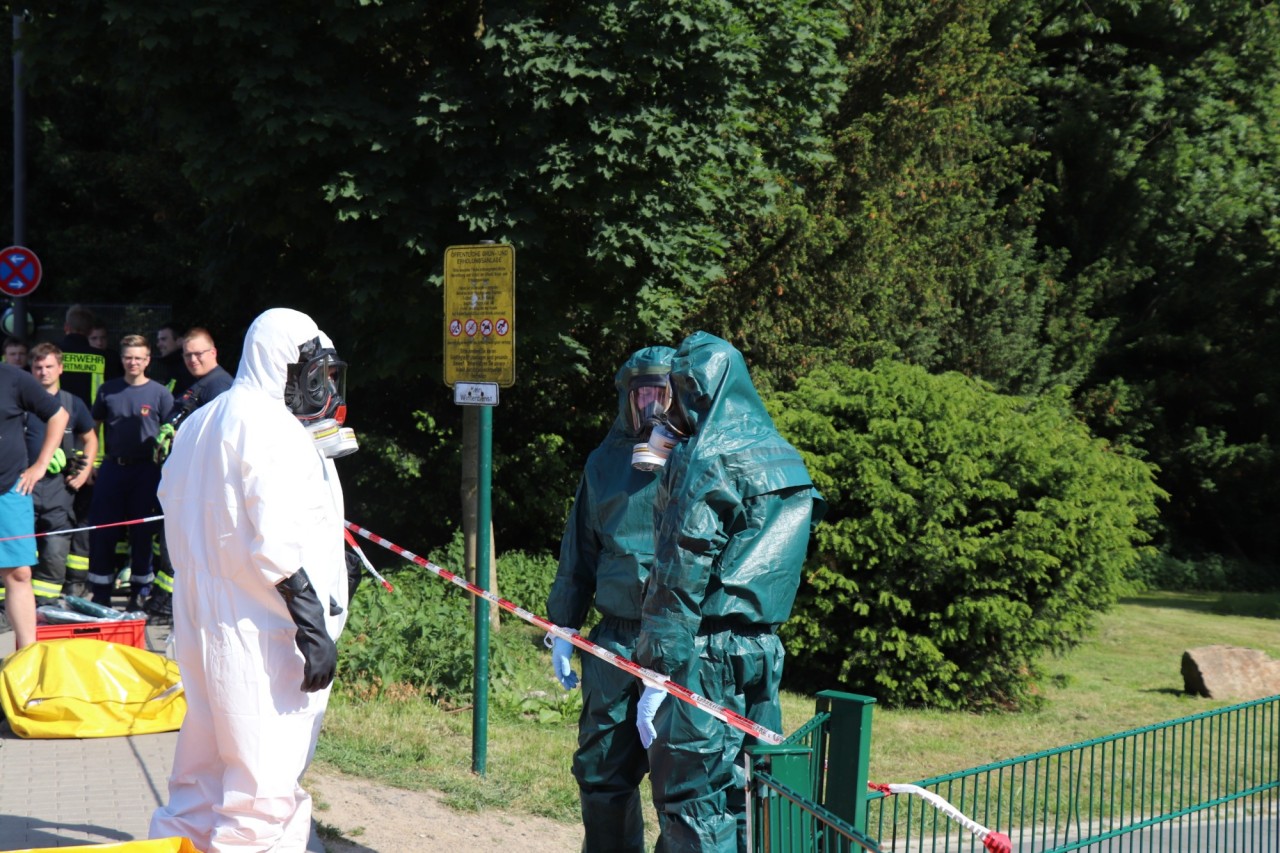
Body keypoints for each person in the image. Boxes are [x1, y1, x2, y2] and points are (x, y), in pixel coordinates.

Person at [149, 308, 356, 851]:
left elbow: (177, 510)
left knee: (198, 782)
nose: (322, 388)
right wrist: (311, 623)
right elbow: (276, 541)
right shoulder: (268, 426)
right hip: (265, 634)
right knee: (261, 795)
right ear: (284, 364)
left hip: (206, 624)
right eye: (314, 372)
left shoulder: (202, 419)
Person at [634, 331, 825, 853]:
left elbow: (681, 564)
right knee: (755, 791)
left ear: (697, 387)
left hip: (706, 650)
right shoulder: (783, 454)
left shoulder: (707, 457)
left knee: (693, 798)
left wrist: (658, 666)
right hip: (763, 647)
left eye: (678, 389)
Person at [546, 345, 676, 853]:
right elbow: (580, 548)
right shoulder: (604, 463)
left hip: (681, 644)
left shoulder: (697, 460)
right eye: (641, 393)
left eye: (660, 394)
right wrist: (563, 626)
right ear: (627, 396)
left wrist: (675, 653)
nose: (651, 406)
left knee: (682, 784)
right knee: (601, 771)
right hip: (615, 643)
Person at [145, 326, 234, 622]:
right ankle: (167, 602)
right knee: (171, 541)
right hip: (184, 481)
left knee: (183, 545)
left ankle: (172, 606)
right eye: (188, 354)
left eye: (199, 354)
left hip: (201, 484)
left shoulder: (219, 385)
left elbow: (216, 436)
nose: (193, 359)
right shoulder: (195, 383)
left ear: (213, 353)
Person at [86, 334, 173, 610]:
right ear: (122, 359)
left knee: (143, 533)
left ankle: (139, 591)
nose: (132, 362)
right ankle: (100, 592)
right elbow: (92, 428)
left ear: (147, 360)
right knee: (104, 531)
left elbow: (172, 434)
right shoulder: (107, 390)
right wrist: (93, 463)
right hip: (112, 468)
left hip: (147, 471)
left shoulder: (161, 394)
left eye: (138, 358)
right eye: (128, 357)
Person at [0, 359, 69, 649]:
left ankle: (27, 656)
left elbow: (59, 415)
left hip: (8, 489)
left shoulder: (13, 378)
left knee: (18, 573)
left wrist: (40, 465)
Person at [26, 343, 99, 606]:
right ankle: (7, 609)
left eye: (49, 367)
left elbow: (91, 439)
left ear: (60, 368)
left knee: (55, 551)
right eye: (38, 367)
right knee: (16, 548)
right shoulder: (21, 401)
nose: (43, 372)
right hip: (23, 485)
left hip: (59, 488)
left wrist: (84, 472)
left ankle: (44, 607)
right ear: (31, 369)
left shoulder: (72, 403)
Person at [57, 304, 121, 408]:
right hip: (93, 421)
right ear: (90, 330)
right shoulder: (107, 358)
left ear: (66, 327)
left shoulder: (51, 355)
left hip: (57, 419)